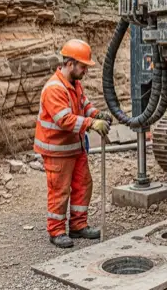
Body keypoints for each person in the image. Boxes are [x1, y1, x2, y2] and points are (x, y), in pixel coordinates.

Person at [34, 39, 113, 248]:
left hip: (74, 147)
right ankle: (56, 230)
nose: (85, 71)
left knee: (83, 184)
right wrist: (92, 123)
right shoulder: (54, 89)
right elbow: (64, 120)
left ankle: (78, 226)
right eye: (83, 66)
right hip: (57, 150)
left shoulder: (74, 85)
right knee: (59, 190)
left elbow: (84, 105)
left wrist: (98, 114)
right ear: (70, 64)